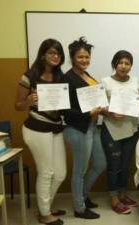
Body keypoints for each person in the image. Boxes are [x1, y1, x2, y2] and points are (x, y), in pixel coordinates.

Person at [15, 39, 67, 225]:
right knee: (46, 172)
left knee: (60, 173)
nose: (55, 56)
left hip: (56, 129)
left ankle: (45, 206)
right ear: (43, 54)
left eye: (59, 54)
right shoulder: (29, 76)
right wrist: (28, 102)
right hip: (36, 129)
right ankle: (45, 214)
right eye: (52, 52)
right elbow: (18, 105)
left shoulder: (61, 77)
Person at [62, 37, 106, 219]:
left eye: (87, 57)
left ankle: (83, 196)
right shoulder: (67, 78)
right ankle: (79, 208)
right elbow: (65, 111)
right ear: (72, 58)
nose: (84, 60)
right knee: (79, 170)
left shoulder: (87, 76)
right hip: (78, 129)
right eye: (80, 57)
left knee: (100, 163)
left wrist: (103, 107)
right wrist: (88, 113)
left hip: (92, 127)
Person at [100, 50, 139, 214]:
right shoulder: (105, 82)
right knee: (114, 166)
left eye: (127, 63)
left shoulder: (136, 81)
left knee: (125, 165)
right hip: (111, 130)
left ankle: (123, 195)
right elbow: (98, 106)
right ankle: (114, 198)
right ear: (114, 64)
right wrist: (108, 112)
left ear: (131, 66)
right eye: (120, 63)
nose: (124, 66)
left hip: (130, 129)